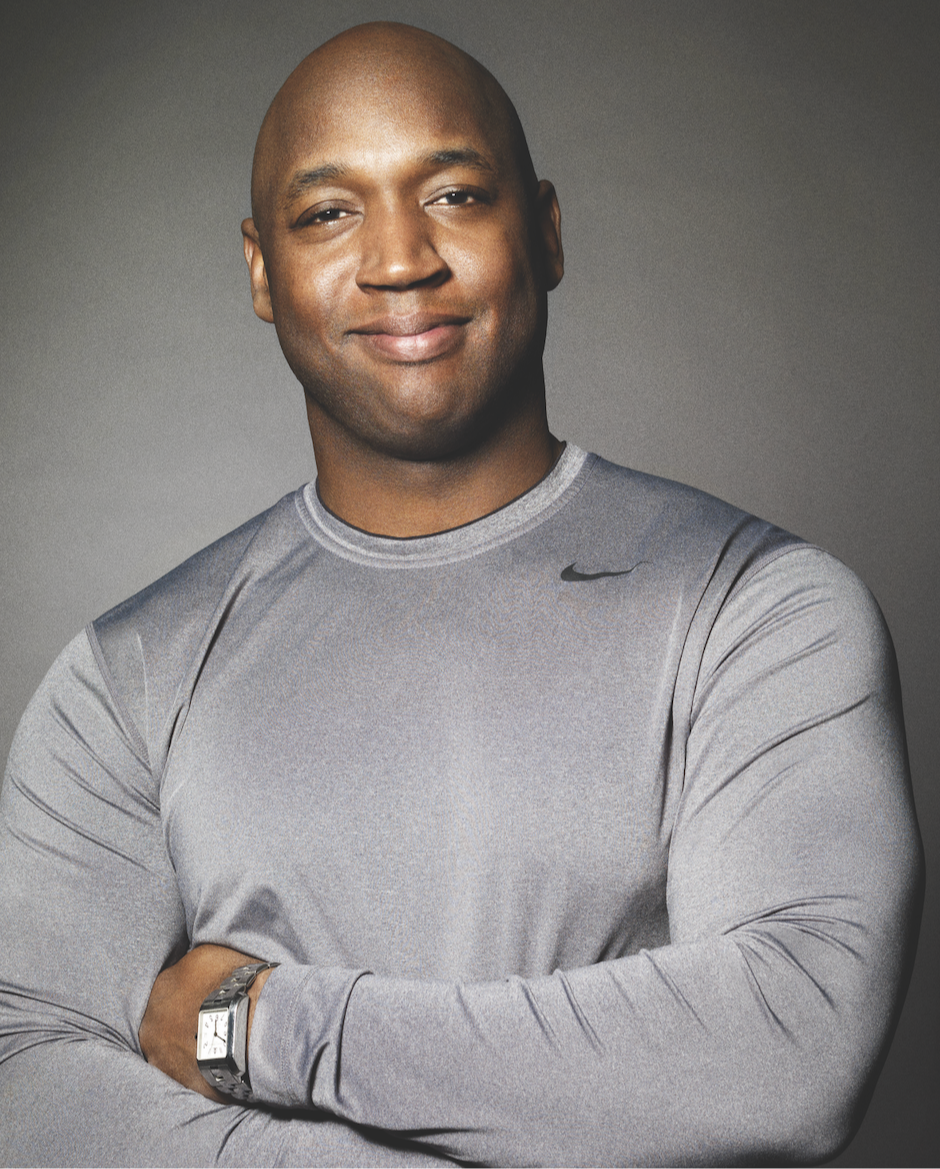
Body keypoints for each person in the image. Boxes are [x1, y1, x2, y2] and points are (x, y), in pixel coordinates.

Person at [0, 20, 923, 1169]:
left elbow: (787, 1045)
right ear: (260, 268)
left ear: (544, 230)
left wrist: (264, 1025)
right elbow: (26, 1085)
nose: (399, 259)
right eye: (327, 212)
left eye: (453, 195)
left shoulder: (762, 612)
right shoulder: (126, 676)